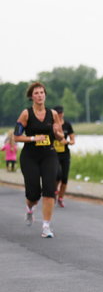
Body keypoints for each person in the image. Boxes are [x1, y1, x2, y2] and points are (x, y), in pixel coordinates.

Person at [13, 82, 65, 238]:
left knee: (49, 190)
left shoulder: (53, 114)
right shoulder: (26, 114)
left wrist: (57, 133)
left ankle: (46, 226)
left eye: (42, 92)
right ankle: (30, 210)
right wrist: (33, 138)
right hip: (30, 156)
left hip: (49, 154)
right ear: (31, 96)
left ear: (45, 95)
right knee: (33, 194)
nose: (39, 95)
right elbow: (16, 137)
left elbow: (61, 137)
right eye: (36, 93)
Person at [53, 105, 75, 208]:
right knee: (58, 174)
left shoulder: (67, 125)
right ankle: (54, 191)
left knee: (65, 178)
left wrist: (69, 142)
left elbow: (72, 139)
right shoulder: (52, 125)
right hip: (54, 154)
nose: (60, 114)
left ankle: (60, 198)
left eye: (61, 113)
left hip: (65, 154)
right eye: (58, 113)